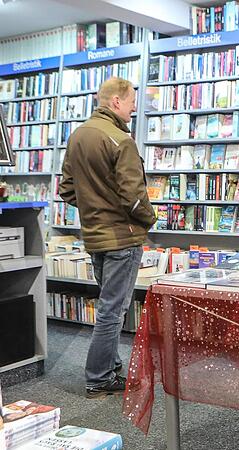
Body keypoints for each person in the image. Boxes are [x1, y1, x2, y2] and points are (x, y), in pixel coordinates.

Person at [59, 77, 157, 398]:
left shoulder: (78, 136)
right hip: (122, 239)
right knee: (112, 312)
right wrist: (149, 219)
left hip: (95, 238)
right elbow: (134, 198)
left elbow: (67, 190)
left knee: (108, 306)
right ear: (115, 101)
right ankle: (99, 377)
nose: (133, 107)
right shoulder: (120, 140)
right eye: (131, 101)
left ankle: (111, 370)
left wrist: (95, 208)